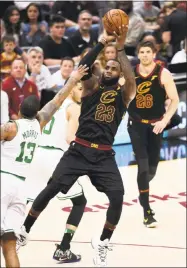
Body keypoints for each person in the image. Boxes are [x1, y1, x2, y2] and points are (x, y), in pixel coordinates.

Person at [21, 26, 136, 267]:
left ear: (120, 74)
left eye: (115, 68)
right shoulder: (92, 86)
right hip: (79, 149)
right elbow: (84, 65)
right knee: (51, 188)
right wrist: (101, 44)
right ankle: (25, 230)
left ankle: (103, 242)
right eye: (108, 66)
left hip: (104, 155)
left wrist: (122, 50)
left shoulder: (124, 95)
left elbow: (131, 77)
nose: (111, 69)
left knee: (118, 197)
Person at [0, 65, 88, 268]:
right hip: (20, 189)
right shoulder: (39, 123)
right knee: (9, 245)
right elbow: (57, 101)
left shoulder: (10, 128)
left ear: (20, 110)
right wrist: (73, 79)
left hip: (4, 182)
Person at [18, 82, 86, 263]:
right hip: (55, 157)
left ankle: (18, 234)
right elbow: (69, 138)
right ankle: (64, 248)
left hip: (37, 155)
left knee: (30, 198)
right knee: (80, 202)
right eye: (80, 89)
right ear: (71, 89)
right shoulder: (74, 108)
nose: (83, 92)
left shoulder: (53, 104)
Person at [127, 41, 179, 228]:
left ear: (154, 53)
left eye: (148, 51)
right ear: (138, 54)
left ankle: (143, 189)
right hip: (136, 125)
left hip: (156, 125)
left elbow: (175, 99)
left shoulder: (162, 73)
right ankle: (147, 211)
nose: (145, 55)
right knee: (142, 166)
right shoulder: (130, 73)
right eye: (142, 52)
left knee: (152, 169)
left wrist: (164, 121)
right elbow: (120, 94)